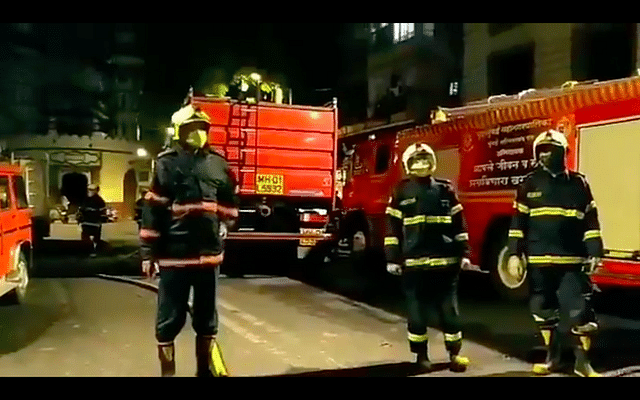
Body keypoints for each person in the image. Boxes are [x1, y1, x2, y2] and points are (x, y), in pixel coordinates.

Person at [139, 104, 239, 377]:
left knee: (207, 321)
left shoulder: (218, 163)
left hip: (209, 257)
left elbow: (229, 199)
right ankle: (168, 374)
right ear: (180, 132)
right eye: (192, 128)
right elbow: (153, 210)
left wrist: (225, 222)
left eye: (202, 128)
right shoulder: (166, 164)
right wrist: (148, 253)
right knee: (169, 320)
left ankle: (203, 373)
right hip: (174, 257)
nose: (198, 133)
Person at [507, 129, 604, 377]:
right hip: (540, 261)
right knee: (543, 310)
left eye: (552, 149)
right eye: (542, 150)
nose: (546, 155)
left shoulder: (578, 184)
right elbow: (518, 224)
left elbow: (590, 222)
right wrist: (514, 254)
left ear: (564, 152)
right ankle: (553, 359)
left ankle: (583, 364)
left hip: (572, 261)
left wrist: (595, 252)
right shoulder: (528, 184)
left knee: (580, 312)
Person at [384, 142, 472, 372]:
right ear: (408, 165)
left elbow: (459, 225)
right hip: (413, 265)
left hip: (446, 264)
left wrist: (464, 253)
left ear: (432, 163)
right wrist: (392, 258)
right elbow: (392, 229)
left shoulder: (446, 190)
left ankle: (455, 354)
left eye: (425, 160)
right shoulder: (401, 192)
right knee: (416, 314)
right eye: (416, 161)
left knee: (449, 313)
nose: (421, 164)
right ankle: (421, 357)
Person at [78, 184, 106, 257]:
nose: (90, 191)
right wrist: (79, 220)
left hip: (95, 223)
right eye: (89, 189)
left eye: (92, 190)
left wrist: (101, 221)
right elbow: (80, 211)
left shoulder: (100, 201)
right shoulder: (85, 200)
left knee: (96, 239)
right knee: (85, 237)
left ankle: (95, 251)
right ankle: (86, 251)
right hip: (86, 223)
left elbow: (103, 213)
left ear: (96, 191)